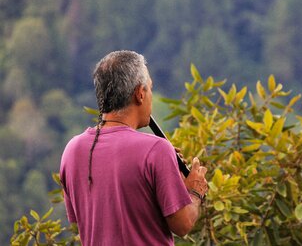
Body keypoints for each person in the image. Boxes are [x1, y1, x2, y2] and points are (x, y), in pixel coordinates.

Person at [60, 50, 208, 245]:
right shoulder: (156, 150)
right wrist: (195, 191)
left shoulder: (72, 150)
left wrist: (169, 176)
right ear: (140, 93)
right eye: (150, 89)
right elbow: (183, 225)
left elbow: (89, 216)